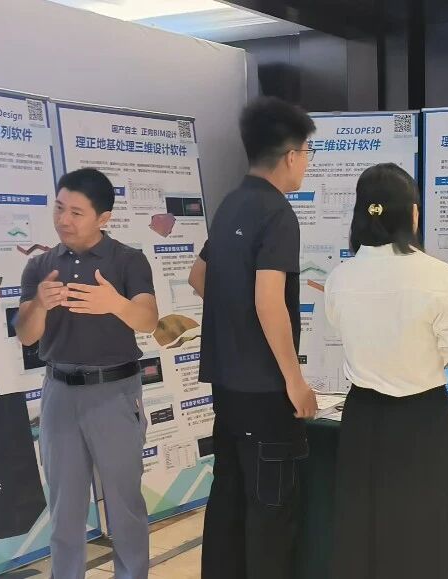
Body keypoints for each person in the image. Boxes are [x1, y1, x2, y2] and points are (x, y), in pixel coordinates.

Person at [322, 163, 448, 579]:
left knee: (364, 530)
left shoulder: (340, 278)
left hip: (363, 419)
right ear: (412, 214)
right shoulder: (438, 276)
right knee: (423, 532)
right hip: (421, 421)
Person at [186, 97, 317, 579]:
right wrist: (295, 381)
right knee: (271, 511)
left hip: (227, 385)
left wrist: (235, 320)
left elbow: (198, 276)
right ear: (291, 155)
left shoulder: (231, 204)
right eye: (307, 153)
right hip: (265, 391)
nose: (306, 163)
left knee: (229, 501)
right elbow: (268, 301)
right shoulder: (278, 213)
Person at [15, 168, 157, 579]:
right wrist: (39, 304)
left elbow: (148, 319)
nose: (64, 220)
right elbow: (26, 335)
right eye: (59, 208)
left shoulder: (127, 260)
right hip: (59, 394)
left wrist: (115, 304)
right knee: (64, 510)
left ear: (103, 217)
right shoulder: (40, 266)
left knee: (125, 506)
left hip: (114, 393)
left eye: (76, 212)